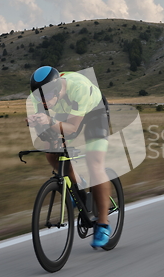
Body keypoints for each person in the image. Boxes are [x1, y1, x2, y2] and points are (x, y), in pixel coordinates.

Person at [26, 66, 111, 248]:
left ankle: (103, 224)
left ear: (57, 90)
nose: (43, 102)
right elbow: (45, 132)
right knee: (51, 152)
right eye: (39, 97)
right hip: (67, 112)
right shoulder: (39, 97)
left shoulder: (78, 87)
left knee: (94, 163)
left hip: (95, 112)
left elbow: (71, 127)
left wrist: (49, 121)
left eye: (47, 97)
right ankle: (76, 186)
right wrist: (37, 124)